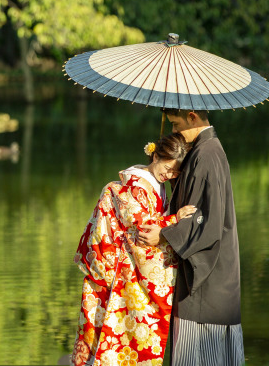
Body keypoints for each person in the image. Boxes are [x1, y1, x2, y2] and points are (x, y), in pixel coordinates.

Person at [70, 133, 197, 366]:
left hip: (122, 266)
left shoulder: (153, 184)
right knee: (117, 338)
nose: (169, 175)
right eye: (167, 168)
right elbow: (142, 233)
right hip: (118, 269)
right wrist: (174, 220)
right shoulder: (135, 185)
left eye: (175, 172)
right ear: (155, 155)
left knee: (115, 341)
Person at [137, 109, 245, 366]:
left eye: (176, 124)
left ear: (192, 116)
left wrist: (163, 236)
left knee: (199, 356)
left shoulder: (206, 155)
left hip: (207, 285)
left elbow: (207, 221)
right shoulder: (203, 151)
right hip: (215, 282)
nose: (174, 131)